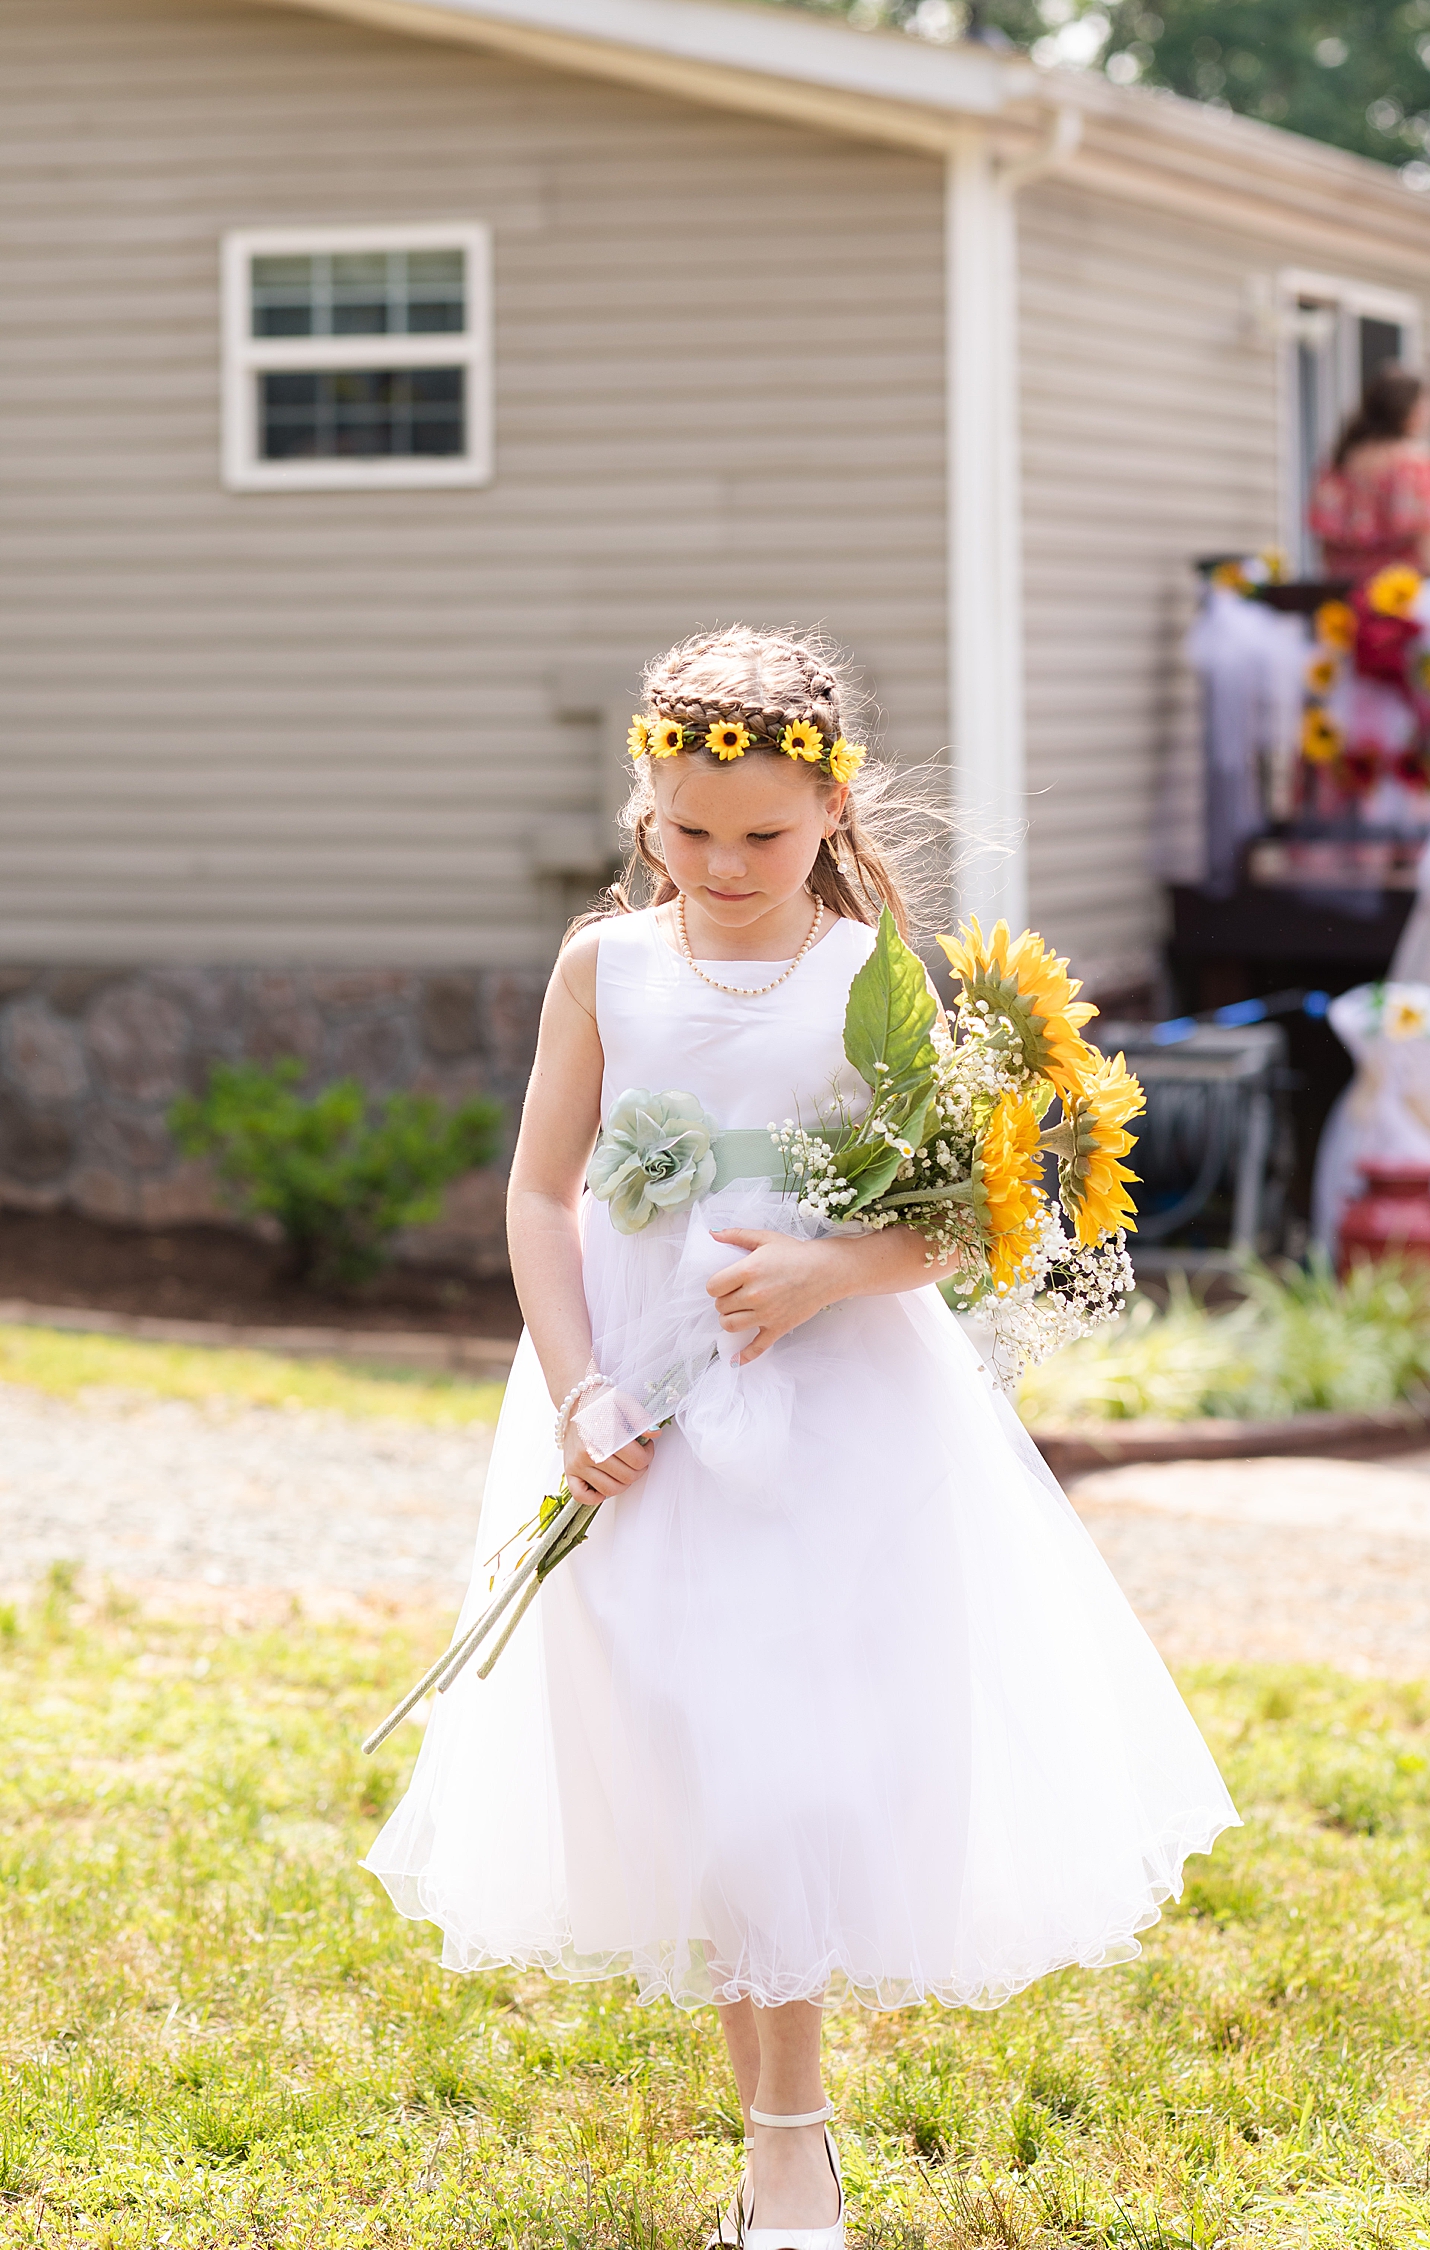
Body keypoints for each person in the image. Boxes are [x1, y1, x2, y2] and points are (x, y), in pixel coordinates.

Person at [364, 627, 1238, 2250]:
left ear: (831, 813)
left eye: (763, 836)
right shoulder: (603, 969)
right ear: (645, 806)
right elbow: (541, 1192)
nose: (724, 866)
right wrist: (577, 1390)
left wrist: (829, 1269)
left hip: (834, 1421)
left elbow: (965, 1218)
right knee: (696, 1767)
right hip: (641, 1413)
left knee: (781, 1779)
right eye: (689, 834)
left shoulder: (867, 979)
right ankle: (783, 2139)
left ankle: (790, 2155)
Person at [1309, 363, 1430, 585]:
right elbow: (1426, 537)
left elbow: (1326, 544)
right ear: (1406, 410)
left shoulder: (1342, 461)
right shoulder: (1415, 461)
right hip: (1400, 592)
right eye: (1427, 405)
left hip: (1349, 588)